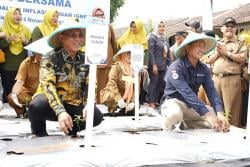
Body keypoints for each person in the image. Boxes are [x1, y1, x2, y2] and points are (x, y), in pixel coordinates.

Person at [27, 21, 103, 137]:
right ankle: (39, 132)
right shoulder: (50, 57)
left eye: (80, 35)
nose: (78, 39)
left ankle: (71, 129)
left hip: (74, 102)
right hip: (51, 104)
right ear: (61, 38)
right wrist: (60, 111)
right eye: (73, 35)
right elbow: (48, 85)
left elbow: (91, 84)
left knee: (96, 116)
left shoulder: (87, 58)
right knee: (36, 106)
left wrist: (89, 104)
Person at [160, 32, 230, 132]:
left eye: (203, 46)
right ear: (188, 48)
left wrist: (219, 112)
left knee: (217, 122)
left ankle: (185, 122)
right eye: (198, 46)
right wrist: (207, 114)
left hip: (191, 106)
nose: (202, 49)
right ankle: (167, 125)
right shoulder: (175, 67)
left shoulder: (204, 69)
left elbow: (211, 92)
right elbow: (187, 93)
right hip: (173, 102)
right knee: (174, 114)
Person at [7, 9, 59, 117]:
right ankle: (24, 112)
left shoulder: (53, 63)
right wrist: (14, 95)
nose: (41, 55)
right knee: (12, 97)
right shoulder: (26, 63)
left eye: (43, 52)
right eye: (38, 52)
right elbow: (19, 82)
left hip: (45, 95)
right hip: (29, 95)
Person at [208, 17, 248, 127]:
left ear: (235, 29)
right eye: (227, 26)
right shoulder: (216, 43)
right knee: (215, 108)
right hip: (216, 79)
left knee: (231, 111)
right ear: (222, 29)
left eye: (232, 27)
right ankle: (217, 130)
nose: (230, 28)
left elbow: (243, 59)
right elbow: (209, 60)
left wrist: (227, 53)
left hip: (231, 79)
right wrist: (217, 53)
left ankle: (233, 134)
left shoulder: (240, 43)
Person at [0, 8, 31, 103]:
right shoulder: (3, 29)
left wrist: (25, 41)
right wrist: (8, 39)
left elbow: (32, 45)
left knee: (19, 91)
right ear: (9, 16)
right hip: (7, 65)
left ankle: (19, 108)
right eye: (15, 14)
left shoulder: (25, 29)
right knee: (8, 90)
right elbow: (1, 46)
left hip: (21, 65)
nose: (18, 16)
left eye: (19, 14)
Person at [100, 45, 135, 116]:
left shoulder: (135, 69)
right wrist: (119, 99)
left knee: (135, 107)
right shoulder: (116, 67)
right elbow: (111, 83)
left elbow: (136, 87)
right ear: (122, 55)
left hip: (127, 97)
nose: (130, 56)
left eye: (132, 54)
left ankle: (125, 109)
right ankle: (114, 111)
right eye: (128, 54)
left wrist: (133, 101)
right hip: (113, 95)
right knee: (112, 100)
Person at [92, 7, 117, 104]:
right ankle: (100, 105)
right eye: (97, 15)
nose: (99, 17)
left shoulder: (109, 26)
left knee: (110, 85)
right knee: (100, 86)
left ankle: (110, 106)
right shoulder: (91, 28)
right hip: (97, 62)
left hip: (110, 61)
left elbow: (114, 43)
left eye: (101, 15)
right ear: (93, 16)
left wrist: (115, 59)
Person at [147, 20, 170, 110]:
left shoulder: (165, 38)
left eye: (163, 26)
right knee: (154, 82)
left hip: (163, 65)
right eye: (160, 26)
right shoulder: (153, 37)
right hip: (155, 65)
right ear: (157, 27)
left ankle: (156, 100)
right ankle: (151, 101)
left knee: (160, 83)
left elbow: (167, 52)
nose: (161, 28)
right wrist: (154, 65)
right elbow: (151, 52)